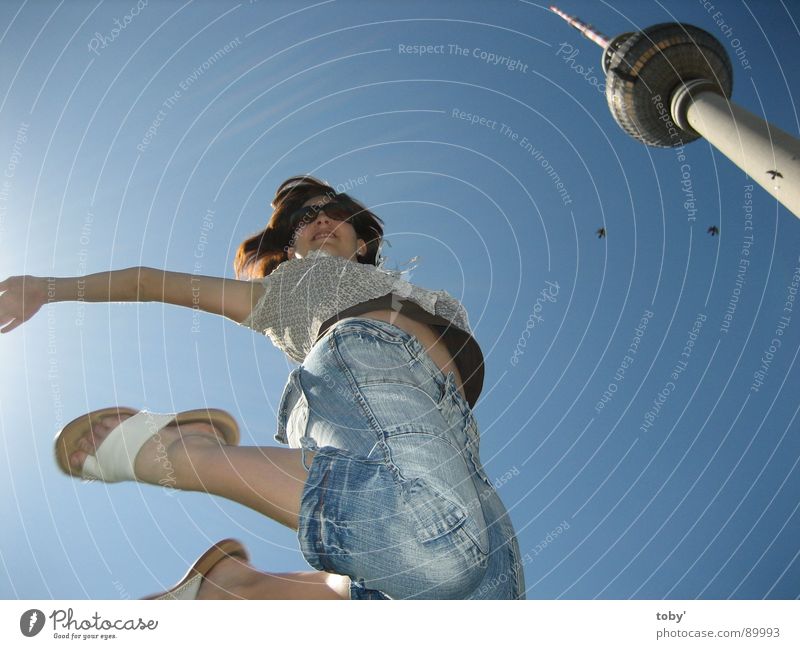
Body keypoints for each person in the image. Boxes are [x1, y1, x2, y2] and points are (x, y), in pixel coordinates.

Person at [0, 175, 525, 600]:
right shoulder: (277, 293)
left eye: (335, 211)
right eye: (303, 221)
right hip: (361, 366)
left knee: (485, 602)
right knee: (437, 558)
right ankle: (184, 452)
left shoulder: (421, 292)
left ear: (362, 239)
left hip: (452, 432)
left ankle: (239, 595)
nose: (321, 219)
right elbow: (148, 280)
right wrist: (46, 289)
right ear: (290, 248)